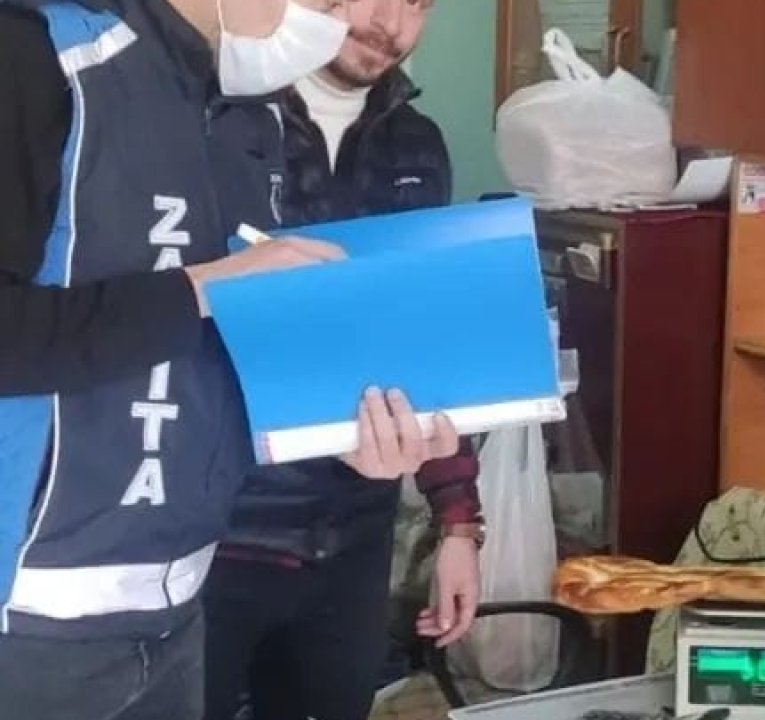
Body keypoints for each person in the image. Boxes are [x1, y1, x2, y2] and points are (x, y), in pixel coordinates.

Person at [0, 1, 460, 718]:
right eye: (327, 1)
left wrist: (334, 436)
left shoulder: (241, 112)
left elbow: (218, 358)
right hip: (33, 614)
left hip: (178, 602)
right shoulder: (42, 52)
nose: (334, 18)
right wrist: (198, 291)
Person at [201, 2, 481, 719]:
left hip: (353, 543)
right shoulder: (210, 116)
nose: (392, 23)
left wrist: (457, 525)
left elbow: (425, 340)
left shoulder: (417, 145)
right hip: (216, 540)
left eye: (419, 2)